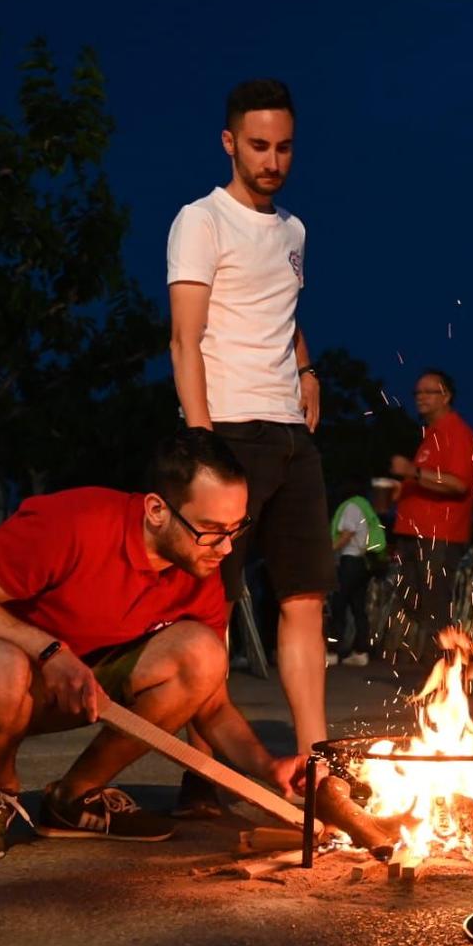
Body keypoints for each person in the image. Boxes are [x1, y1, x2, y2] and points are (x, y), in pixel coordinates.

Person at [0, 428, 304, 862]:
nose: (224, 547)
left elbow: (212, 706)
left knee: (203, 654)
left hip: (71, 684)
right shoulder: (73, 522)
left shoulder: (198, 565)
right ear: (156, 510)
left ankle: (75, 797)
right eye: (209, 529)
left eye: (235, 528)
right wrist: (49, 650)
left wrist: (267, 767)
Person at [166, 78, 335, 782]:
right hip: (229, 431)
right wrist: (203, 446)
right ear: (231, 142)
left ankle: (322, 761)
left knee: (304, 597)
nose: (273, 159)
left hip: (292, 435)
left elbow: (280, 308)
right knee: (214, 607)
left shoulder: (293, 230)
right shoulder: (200, 221)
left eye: (284, 146)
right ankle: (203, 772)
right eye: (259, 145)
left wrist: (307, 369)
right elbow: (184, 338)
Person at [389, 368, 473, 664]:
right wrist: (403, 489)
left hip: (439, 534)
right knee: (411, 598)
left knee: (434, 603)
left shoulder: (457, 433)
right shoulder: (431, 436)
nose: (421, 397)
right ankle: (454, 660)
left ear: (447, 396)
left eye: (429, 391)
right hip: (415, 533)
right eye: (417, 392)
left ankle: (453, 668)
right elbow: (428, 478)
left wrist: (413, 472)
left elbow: (459, 483)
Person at [326, 481, 387, 667]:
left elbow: (347, 534)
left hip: (350, 561)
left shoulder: (351, 506)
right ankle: (361, 652)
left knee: (339, 605)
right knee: (358, 607)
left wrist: (327, 551)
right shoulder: (364, 505)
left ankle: (333, 652)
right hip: (363, 563)